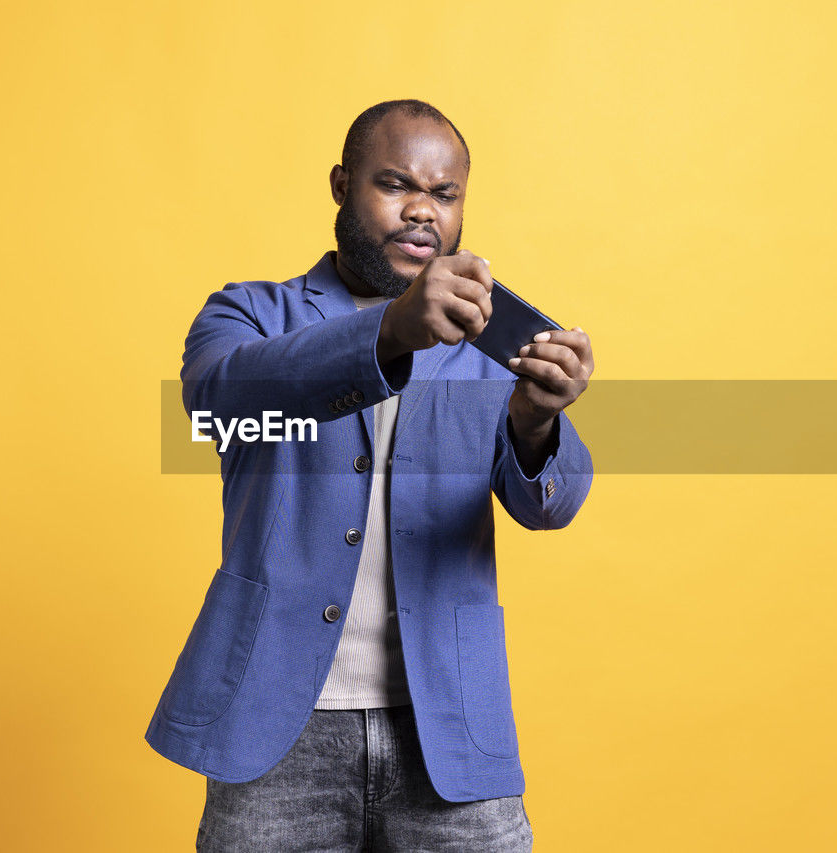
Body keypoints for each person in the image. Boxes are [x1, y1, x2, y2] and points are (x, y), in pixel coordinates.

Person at [147, 99, 595, 851]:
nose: (422, 210)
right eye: (395, 184)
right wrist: (390, 330)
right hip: (274, 732)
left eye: (444, 194)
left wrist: (536, 420)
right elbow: (220, 403)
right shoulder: (251, 315)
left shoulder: (487, 342)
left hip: (450, 728)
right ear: (341, 185)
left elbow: (552, 505)